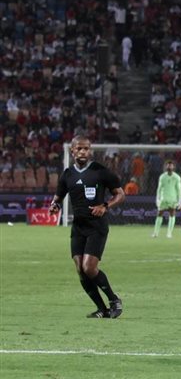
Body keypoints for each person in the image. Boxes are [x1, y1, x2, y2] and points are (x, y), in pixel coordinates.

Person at [48, 135, 126, 318]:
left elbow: (121, 194)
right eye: (79, 148)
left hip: (97, 226)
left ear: (90, 151)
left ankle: (114, 300)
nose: (83, 151)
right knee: (80, 271)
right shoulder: (68, 174)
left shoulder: (100, 171)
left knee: (89, 268)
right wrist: (54, 206)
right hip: (78, 227)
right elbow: (58, 198)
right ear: (72, 151)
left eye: (86, 148)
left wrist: (105, 206)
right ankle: (102, 309)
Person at [152, 159, 181, 238]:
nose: (169, 167)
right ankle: (155, 233)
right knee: (159, 214)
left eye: (171, 165)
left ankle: (169, 233)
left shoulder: (177, 177)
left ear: (173, 167)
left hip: (172, 199)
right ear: (165, 167)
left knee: (172, 214)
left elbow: (179, 190)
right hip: (163, 199)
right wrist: (157, 199)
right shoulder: (162, 177)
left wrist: (179, 201)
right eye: (168, 165)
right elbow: (159, 189)